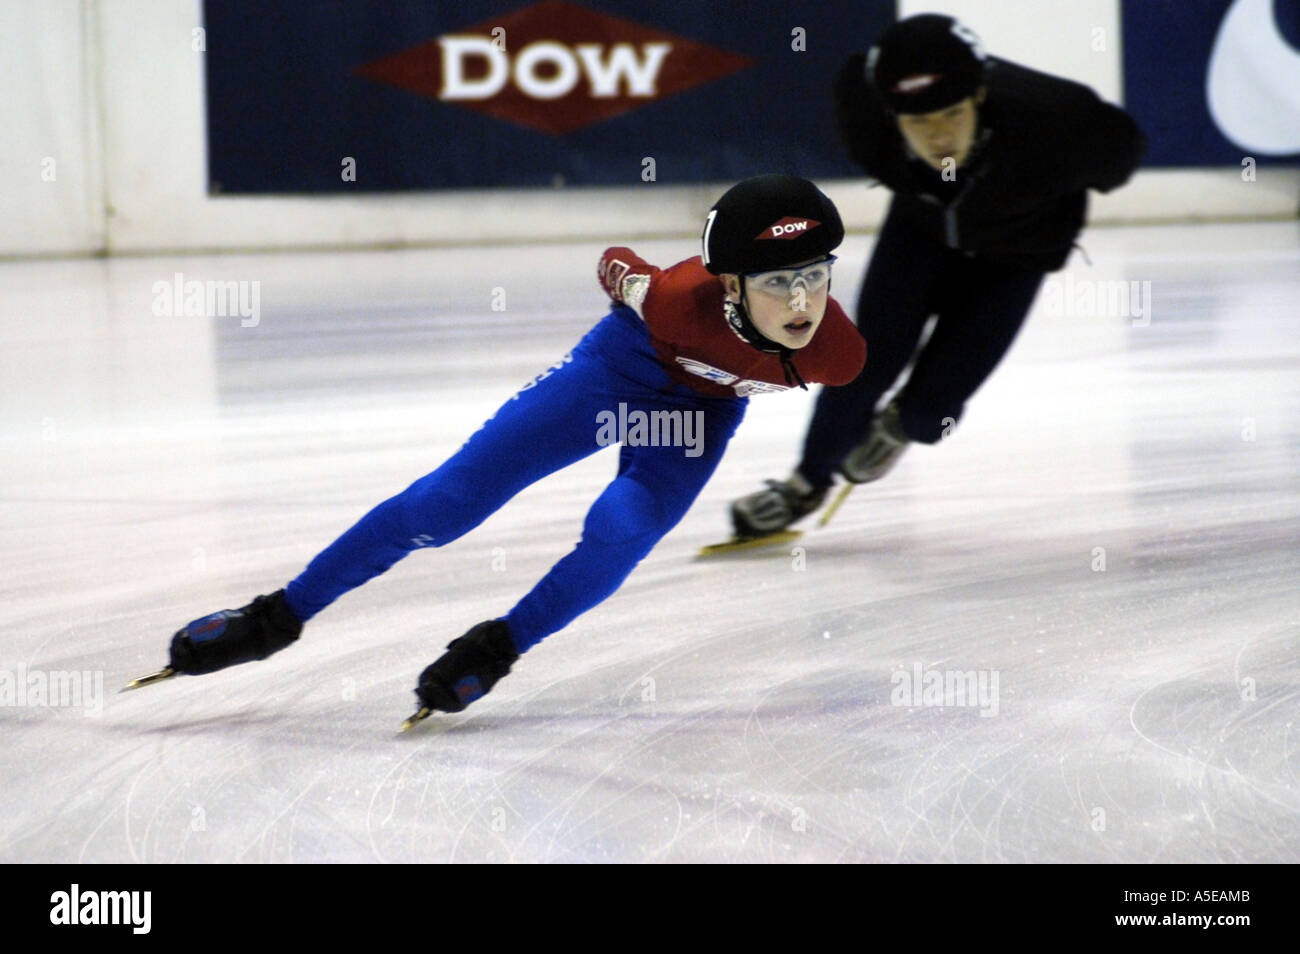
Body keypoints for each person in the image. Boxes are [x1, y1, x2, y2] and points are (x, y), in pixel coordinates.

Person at [151, 175, 866, 717]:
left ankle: (500, 644)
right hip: (621, 370)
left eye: (815, 276)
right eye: (779, 282)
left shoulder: (839, 354)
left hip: (699, 412)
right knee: (448, 504)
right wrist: (630, 287)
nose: (802, 303)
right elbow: (615, 263)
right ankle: (279, 616)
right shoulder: (679, 298)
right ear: (732, 285)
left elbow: (854, 398)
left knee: (622, 528)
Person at [731, 14, 1146, 537]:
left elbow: (1122, 154)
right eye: (918, 121)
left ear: (979, 96)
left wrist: (1057, 202)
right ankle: (805, 483)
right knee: (864, 361)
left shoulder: (1060, 124)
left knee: (931, 414)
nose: (940, 135)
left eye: (951, 113)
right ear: (891, 114)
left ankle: (904, 422)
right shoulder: (864, 112)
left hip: (1016, 253)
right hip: (922, 231)